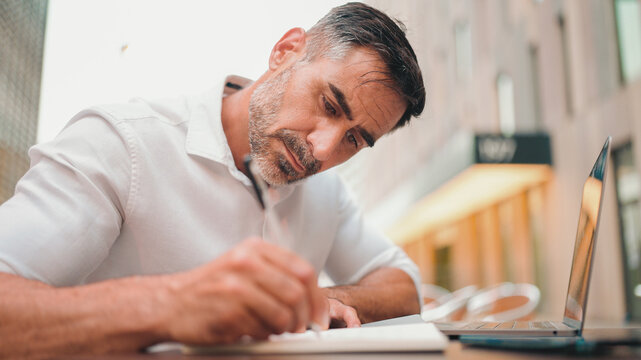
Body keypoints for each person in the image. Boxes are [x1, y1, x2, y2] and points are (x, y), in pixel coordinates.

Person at [0, 2, 426, 358]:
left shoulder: (326, 192)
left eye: (353, 139)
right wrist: (173, 304)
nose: (322, 150)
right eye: (330, 105)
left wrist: (319, 300)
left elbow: (404, 287)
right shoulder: (122, 142)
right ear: (286, 50)